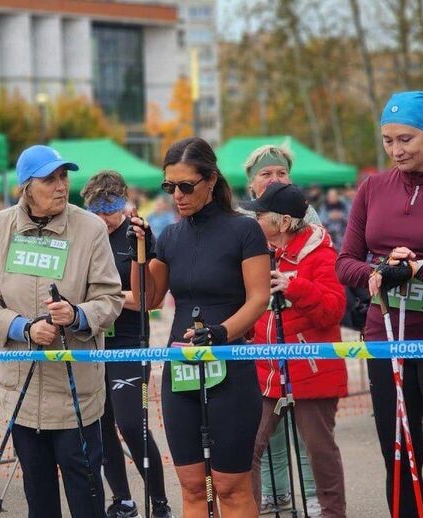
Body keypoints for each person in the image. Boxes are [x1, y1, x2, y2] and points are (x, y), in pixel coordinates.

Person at [336, 91, 423, 517]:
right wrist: (374, 273)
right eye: (388, 140)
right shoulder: (373, 188)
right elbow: (346, 261)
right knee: (397, 451)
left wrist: (420, 268)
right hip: (387, 334)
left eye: (406, 139)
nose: (396, 150)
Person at [0, 144, 123, 518]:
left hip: (76, 394)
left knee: (87, 499)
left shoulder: (89, 228)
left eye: (64, 177)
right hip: (20, 391)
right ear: (26, 186)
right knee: (38, 499)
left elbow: (110, 298)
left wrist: (77, 315)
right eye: (49, 179)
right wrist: (22, 327)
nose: (60, 186)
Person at [129, 137, 271, 517]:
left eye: (186, 185)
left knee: (229, 486)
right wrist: (138, 252)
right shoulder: (172, 236)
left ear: (210, 180)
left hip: (229, 367)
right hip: (181, 371)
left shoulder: (244, 230)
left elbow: (259, 298)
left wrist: (222, 333)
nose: (177, 195)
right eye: (169, 187)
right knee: (193, 486)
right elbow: (148, 299)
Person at [241, 183, 348, 518]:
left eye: (259, 215)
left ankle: (333, 513)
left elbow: (334, 309)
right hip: (268, 368)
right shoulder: (263, 252)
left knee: (319, 451)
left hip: (312, 369)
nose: (253, 220)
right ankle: (247, 511)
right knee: (249, 448)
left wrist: (294, 286)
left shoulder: (320, 253)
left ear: (283, 222)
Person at [80, 171, 173, 518]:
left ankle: (160, 503)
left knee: (132, 424)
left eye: (109, 212)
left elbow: (148, 298)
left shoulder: (138, 234)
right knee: (100, 427)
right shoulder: (85, 235)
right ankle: (122, 500)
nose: (102, 220)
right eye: (96, 212)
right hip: (92, 341)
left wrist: (105, 299)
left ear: (123, 205)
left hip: (130, 340)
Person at [241, 143, 322, 513]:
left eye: (281, 173)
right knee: (264, 425)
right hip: (257, 335)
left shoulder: (309, 216)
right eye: (266, 173)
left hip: (300, 334)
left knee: (305, 426)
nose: (274, 179)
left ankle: (311, 492)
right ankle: (276, 494)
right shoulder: (241, 220)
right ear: (250, 183)